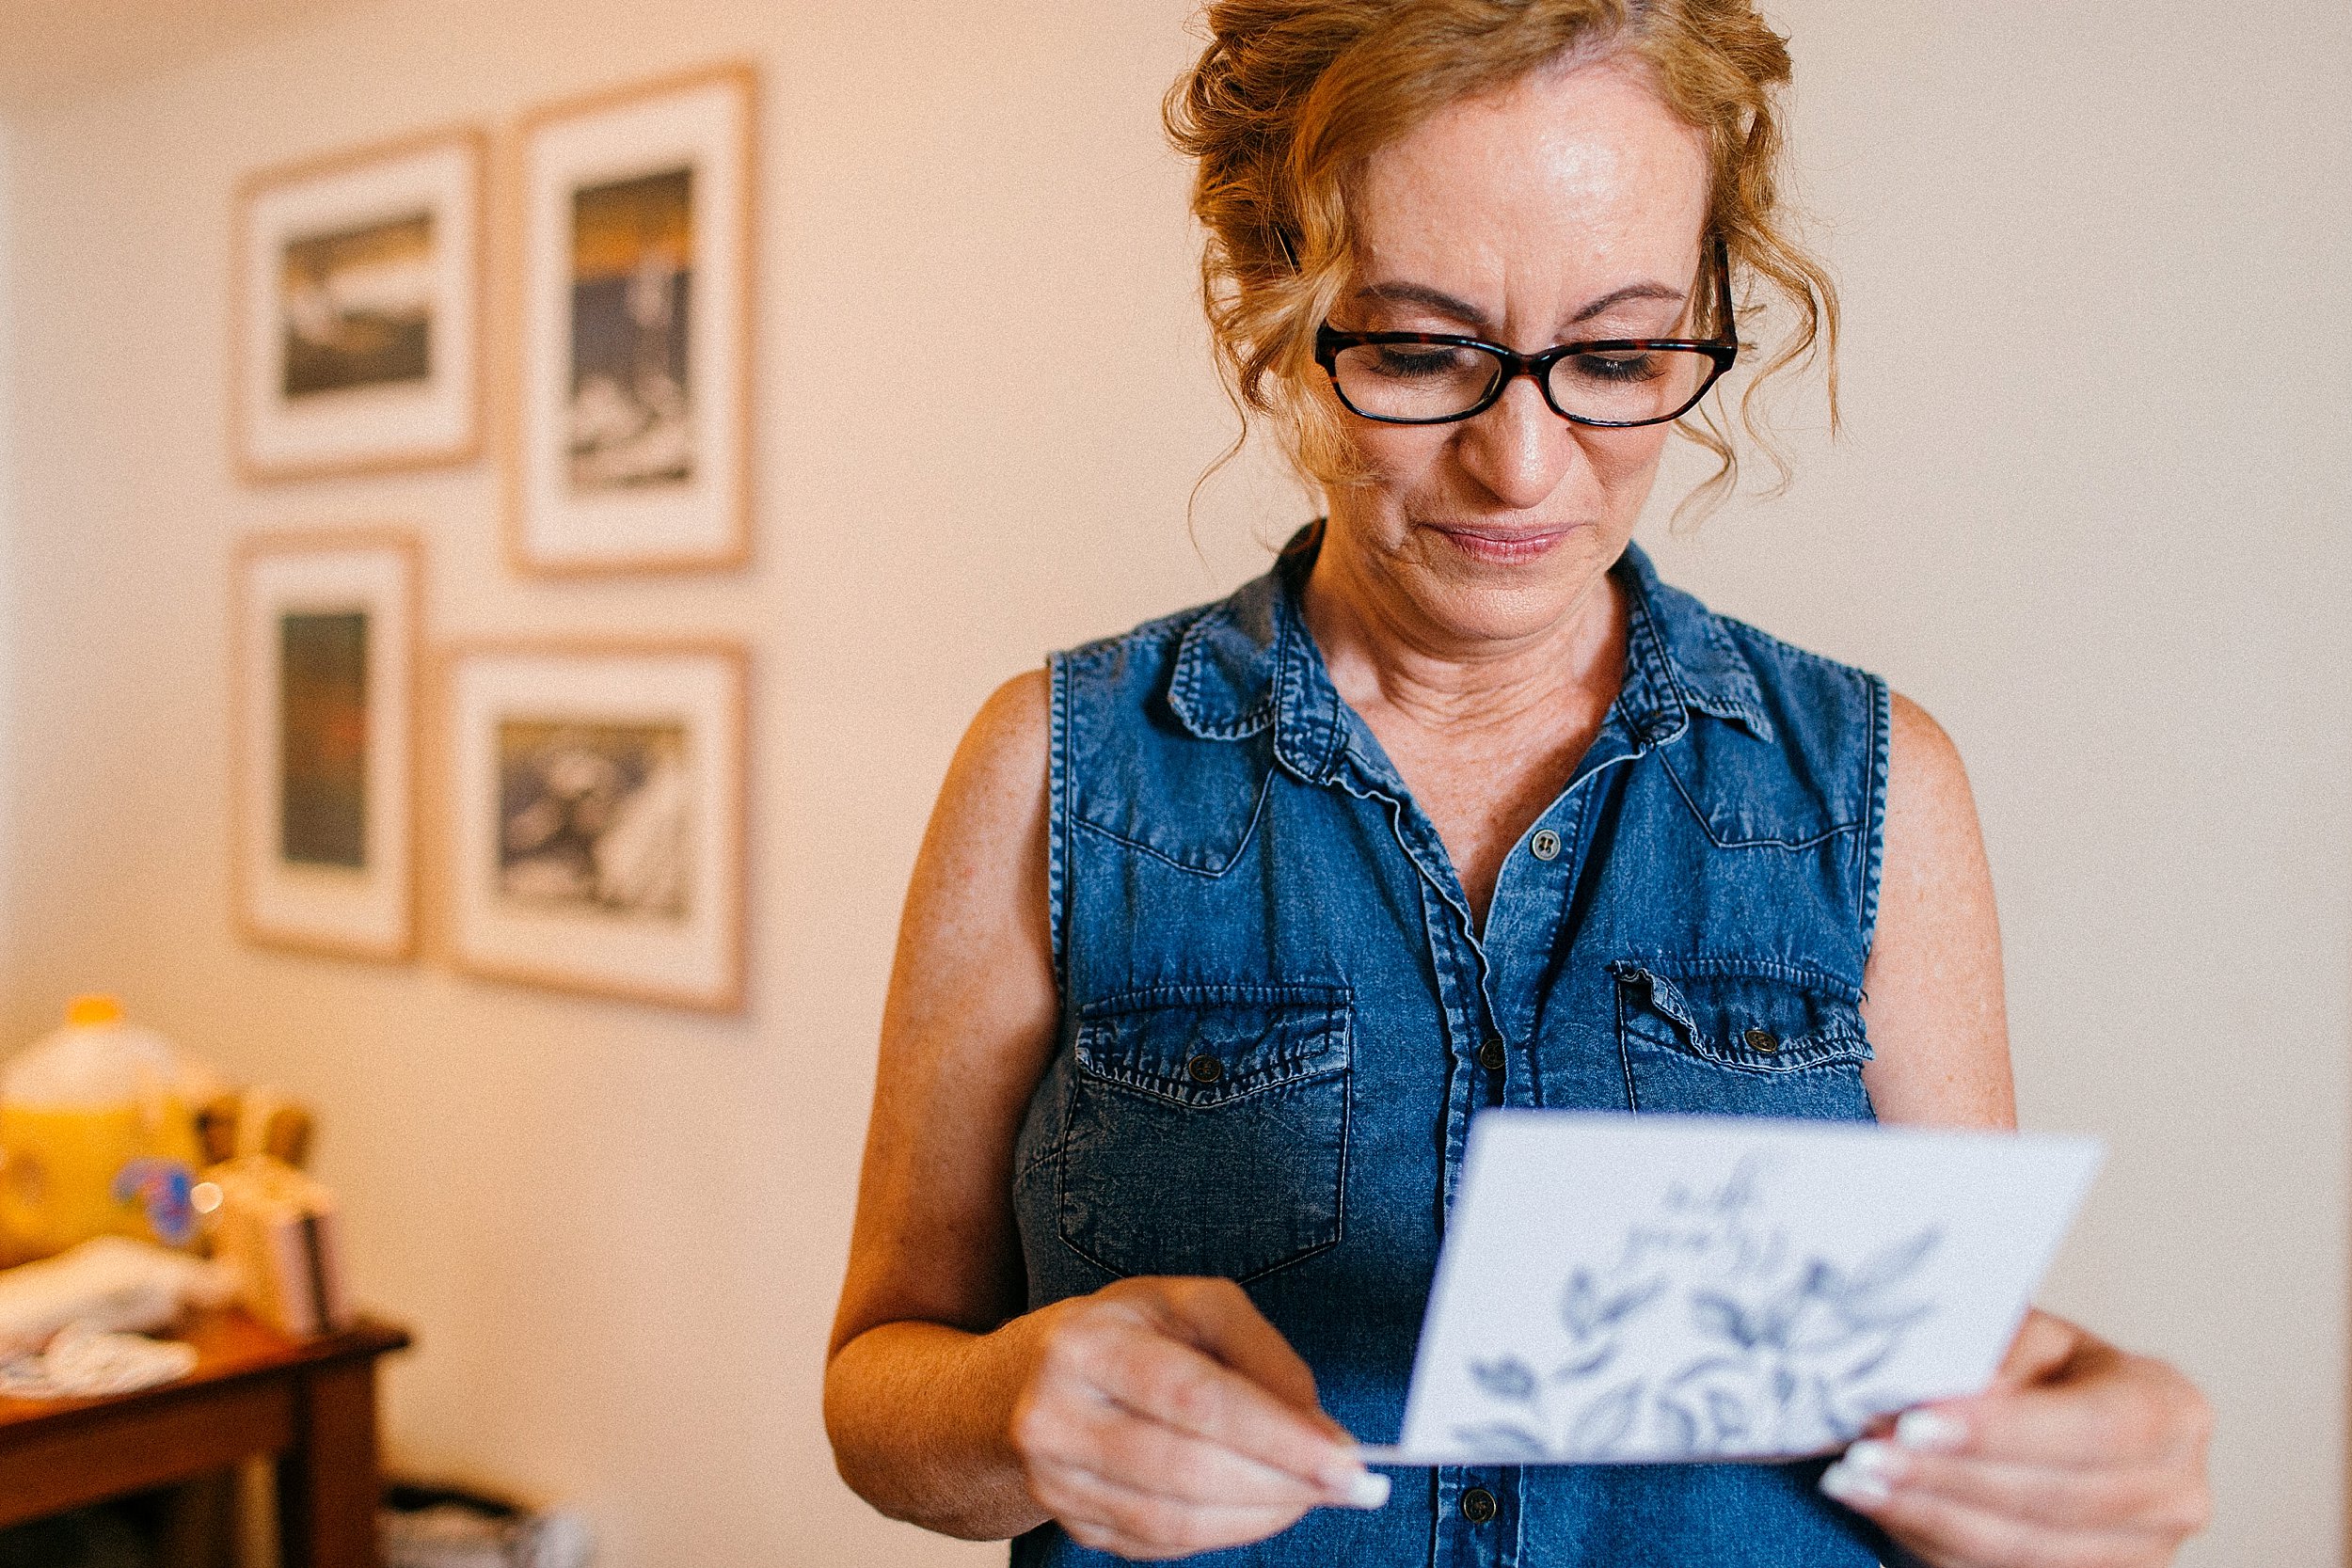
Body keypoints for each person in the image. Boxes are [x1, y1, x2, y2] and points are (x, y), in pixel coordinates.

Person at [824, 3, 2214, 1563]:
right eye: (1422, 351)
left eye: (1619, 356)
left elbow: (1955, 1408)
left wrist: (2066, 1472)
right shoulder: (1058, 768)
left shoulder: (1883, 785)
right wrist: (1018, 1408)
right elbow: (883, 1396)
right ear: (1273, 305)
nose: (1526, 466)